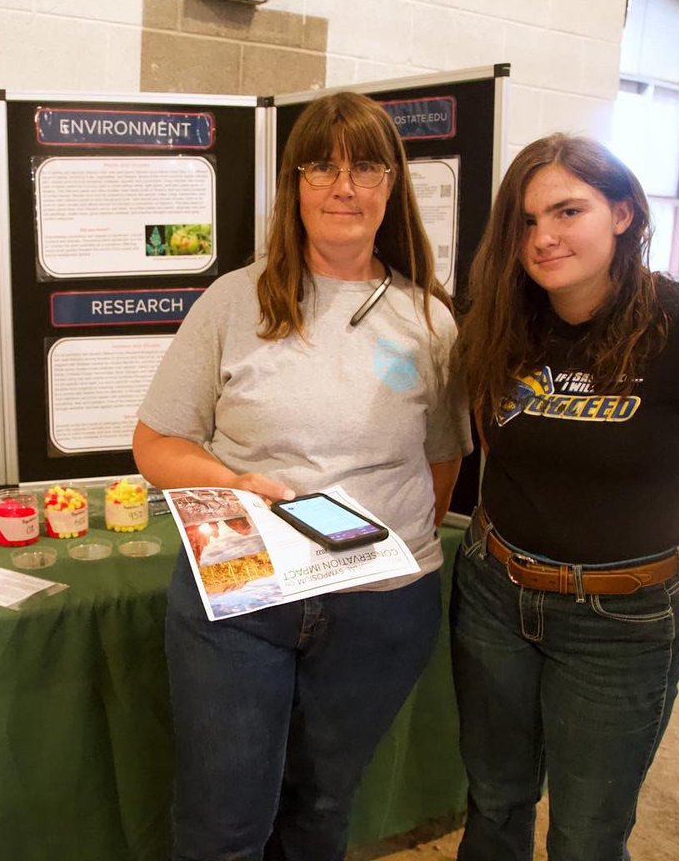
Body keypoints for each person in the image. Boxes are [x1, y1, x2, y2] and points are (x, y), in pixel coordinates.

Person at [132, 91, 472, 861]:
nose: (342, 187)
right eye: (321, 166)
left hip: (380, 610)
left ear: (393, 186)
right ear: (293, 184)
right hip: (243, 588)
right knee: (224, 828)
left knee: (320, 817)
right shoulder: (232, 301)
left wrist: (388, 550)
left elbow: (442, 460)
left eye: (365, 168)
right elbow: (156, 444)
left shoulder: (429, 320)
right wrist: (229, 480)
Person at [451, 133, 679, 860]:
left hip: (620, 621)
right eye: (526, 221)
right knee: (494, 805)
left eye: (568, 211)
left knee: (587, 835)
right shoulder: (502, 319)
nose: (544, 237)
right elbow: (498, 441)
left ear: (622, 213)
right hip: (496, 594)